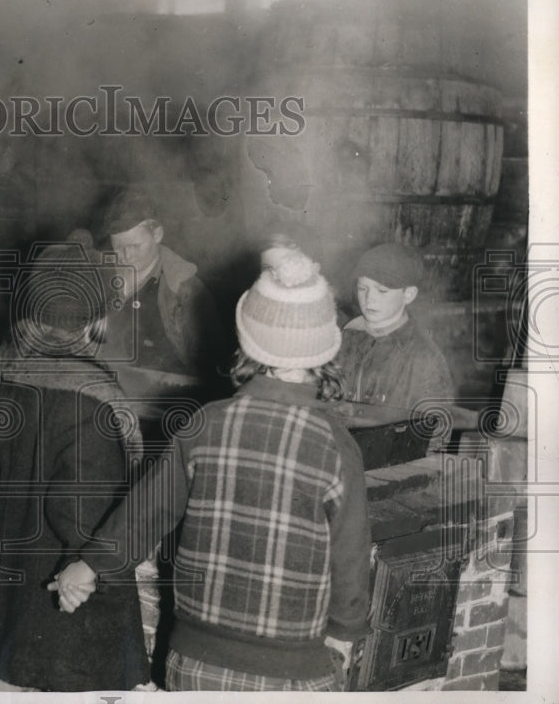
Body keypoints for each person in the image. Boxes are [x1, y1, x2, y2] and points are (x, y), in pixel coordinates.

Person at [50, 248, 372, 692]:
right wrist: (345, 634)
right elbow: (350, 557)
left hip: (196, 663)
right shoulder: (337, 446)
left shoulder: (202, 424)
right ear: (326, 349)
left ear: (246, 341)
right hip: (292, 674)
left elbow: (144, 515)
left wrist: (86, 567)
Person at [0, 240, 150, 692]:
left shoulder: (2, 381)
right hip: (70, 634)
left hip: (11, 612)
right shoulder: (89, 402)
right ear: (92, 318)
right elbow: (85, 521)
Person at [98, 188, 225, 382]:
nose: (126, 256)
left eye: (134, 246)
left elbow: (211, 366)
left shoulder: (186, 290)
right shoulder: (102, 280)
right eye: (118, 248)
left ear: (157, 235)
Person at [337, 242, 453, 411]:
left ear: (409, 294)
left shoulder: (426, 359)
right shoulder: (343, 338)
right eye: (363, 288)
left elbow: (437, 429)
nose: (369, 299)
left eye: (382, 290)